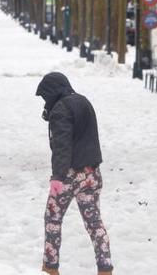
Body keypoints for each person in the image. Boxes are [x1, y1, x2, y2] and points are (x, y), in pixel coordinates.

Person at [35, 72, 113, 275]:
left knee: (52, 218)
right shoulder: (83, 101)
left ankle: (50, 267)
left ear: (52, 92)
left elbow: (62, 146)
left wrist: (58, 177)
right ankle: (105, 268)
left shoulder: (60, 109)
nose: (45, 101)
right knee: (94, 222)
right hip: (92, 173)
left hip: (69, 175)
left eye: (45, 96)